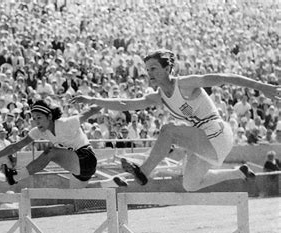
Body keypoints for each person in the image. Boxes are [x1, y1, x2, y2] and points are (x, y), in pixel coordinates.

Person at [71, 49, 280, 191]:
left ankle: (144, 171)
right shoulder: (159, 96)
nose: (149, 73)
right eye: (147, 70)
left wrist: (263, 87)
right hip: (203, 141)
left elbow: (225, 78)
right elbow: (126, 104)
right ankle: (237, 172)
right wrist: (92, 98)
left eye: (153, 68)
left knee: (169, 130)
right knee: (191, 184)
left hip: (217, 134)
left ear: (167, 69)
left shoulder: (186, 84)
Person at [0, 100, 122, 188]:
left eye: (39, 118)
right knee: (79, 192)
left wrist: (107, 101)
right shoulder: (39, 131)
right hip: (77, 164)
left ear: (50, 116)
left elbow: (91, 110)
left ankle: (16, 176)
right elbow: (16, 146)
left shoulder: (66, 123)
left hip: (86, 157)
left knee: (51, 151)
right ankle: (110, 183)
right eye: (33, 118)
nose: (36, 122)